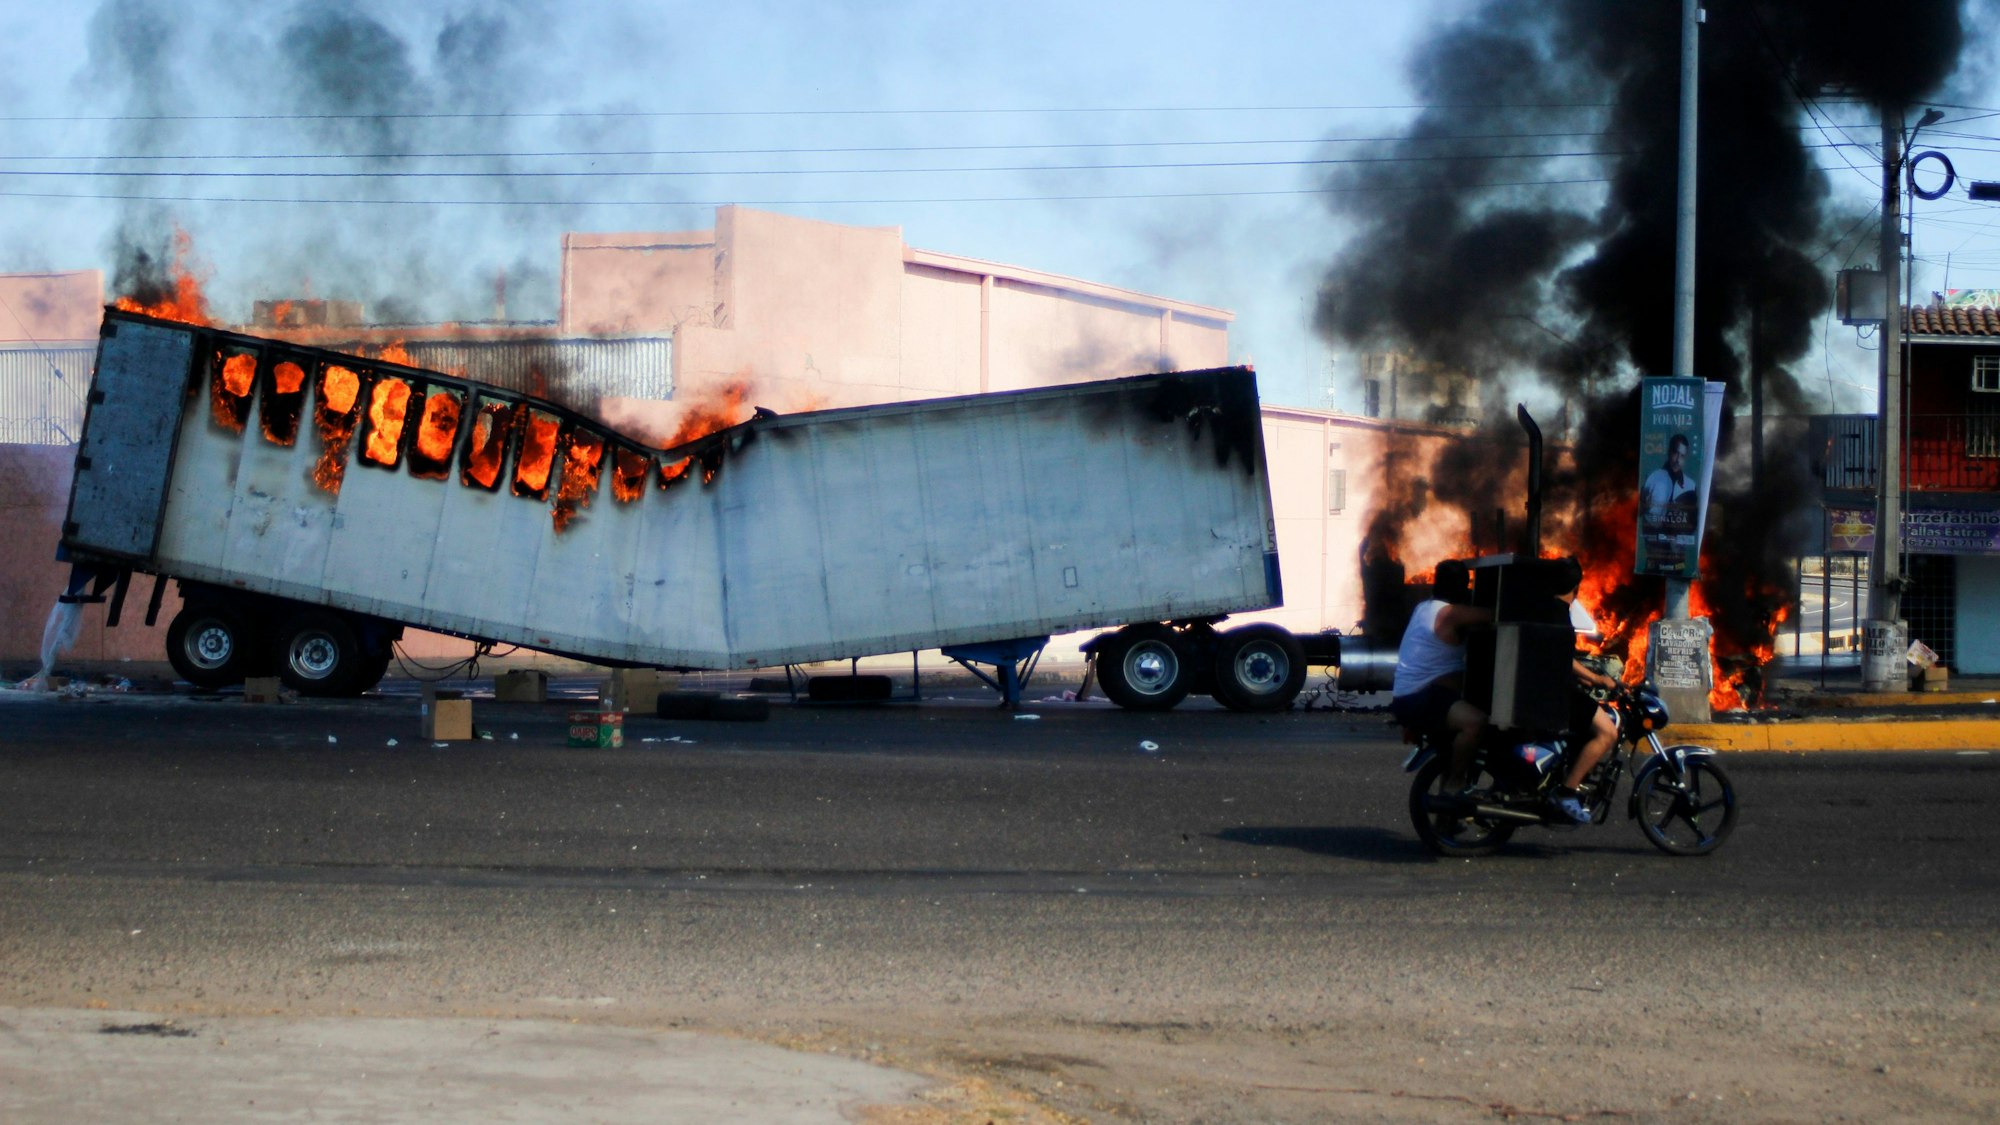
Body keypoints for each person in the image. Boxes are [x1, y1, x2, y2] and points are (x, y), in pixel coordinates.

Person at [1388, 559, 1491, 782]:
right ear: (1462, 587)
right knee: (1476, 723)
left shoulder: (1424, 608)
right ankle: (1455, 783)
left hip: (1412, 696)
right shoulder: (1450, 614)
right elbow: (1494, 615)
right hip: (1421, 698)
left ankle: (1450, 799)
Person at [1547, 558, 1621, 824]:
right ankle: (1567, 792)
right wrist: (1597, 678)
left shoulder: (1548, 608)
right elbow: (1561, 658)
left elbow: (1559, 658)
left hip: (1554, 688)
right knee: (1607, 732)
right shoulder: (1558, 614)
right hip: (1555, 695)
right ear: (1576, 587)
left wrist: (1585, 680)